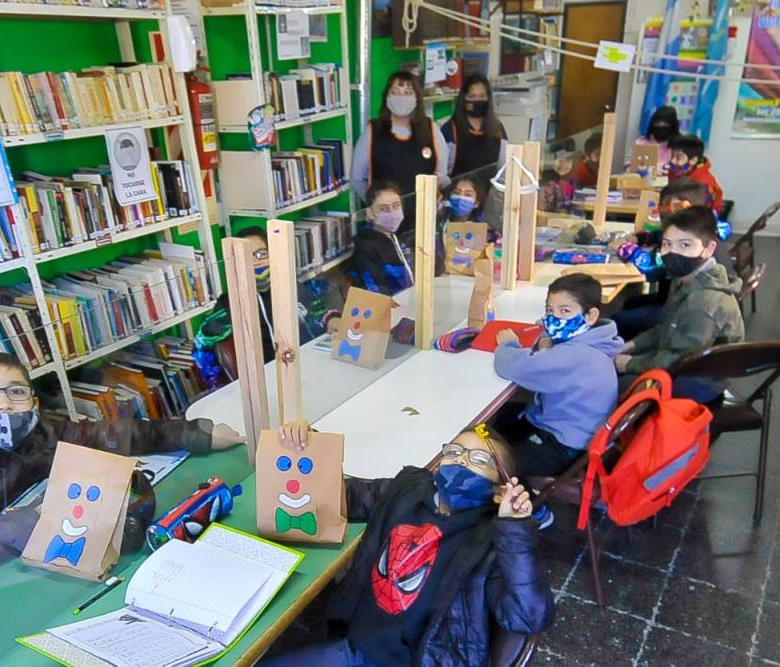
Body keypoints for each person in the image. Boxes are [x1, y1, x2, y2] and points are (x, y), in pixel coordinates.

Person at [0, 351, 242, 590]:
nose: (3, 404)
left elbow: (117, 435)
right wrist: (27, 524)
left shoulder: (43, 432)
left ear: (33, 402)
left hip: (65, 560)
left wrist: (194, 433)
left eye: (16, 392)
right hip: (3, 583)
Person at [263, 423, 554, 667]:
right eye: (453, 451)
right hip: (353, 650)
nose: (461, 460)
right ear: (439, 463)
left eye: (479, 459)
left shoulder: (492, 542)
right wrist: (307, 445)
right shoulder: (407, 490)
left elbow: (528, 617)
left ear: (500, 489)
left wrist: (514, 529)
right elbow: (340, 497)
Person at [492, 274, 623, 485]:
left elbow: (510, 366)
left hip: (566, 446)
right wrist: (546, 339)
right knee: (505, 417)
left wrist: (508, 344)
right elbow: (549, 338)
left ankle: (528, 507)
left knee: (493, 464)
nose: (553, 318)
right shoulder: (596, 339)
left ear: (591, 315)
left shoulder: (574, 355)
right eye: (549, 310)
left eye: (564, 311)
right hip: (577, 429)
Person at [615, 206, 744, 402]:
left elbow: (680, 359)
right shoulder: (687, 279)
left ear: (708, 249)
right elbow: (665, 329)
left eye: (685, 245)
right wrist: (630, 346)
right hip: (679, 359)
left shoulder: (703, 303)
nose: (672, 252)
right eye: (667, 244)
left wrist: (630, 364)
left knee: (615, 389)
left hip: (698, 380)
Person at [197, 227, 342, 363]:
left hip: (308, 361)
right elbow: (202, 342)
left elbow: (316, 310)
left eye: (261, 254)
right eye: (246, 257)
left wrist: (332, 320)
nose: (255, 261)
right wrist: (213, 377)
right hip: (271, 375)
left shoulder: (287, 284)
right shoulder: (230, 302)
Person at [351, 71, 450, 238]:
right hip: (384, 225)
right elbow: (357, 177)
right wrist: (378, 206)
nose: (401, 97)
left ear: (417, 98)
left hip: (423, 219)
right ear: (386, 97)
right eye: (395, 92)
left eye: (407, 92)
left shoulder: (430, 128)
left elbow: (441, 173)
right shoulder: (372, 131)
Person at [440, 73, 508, 180]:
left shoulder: (498, 129)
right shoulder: (449, 129)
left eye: (481, 96)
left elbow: (504, 167)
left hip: (489, 192)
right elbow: (442, 172)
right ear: (464, 99)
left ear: (488, 98)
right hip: (457, 192)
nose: (477, 100)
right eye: (472, 96)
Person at [352, 181, 415, 295]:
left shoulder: (393, 236)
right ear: (370, 213)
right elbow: (377, 293)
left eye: (396, 206)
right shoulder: (366, 247)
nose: (392, 213)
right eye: (384, 209)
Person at [668, 134, 724, 213]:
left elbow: (696, 211)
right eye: (672, 156)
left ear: (693, 160)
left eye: (678, 158)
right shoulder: (680, 171)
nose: (673, 161)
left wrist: (668, 206)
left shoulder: (704, 183)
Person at [631, 106, 680, 176]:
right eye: (657, 124)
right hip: (643, 184)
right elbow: (630, 166)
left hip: (670, 184)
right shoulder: (642, 142)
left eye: (665, 125)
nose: (661, 128)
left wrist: (666, 169)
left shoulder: (678, 145)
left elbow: (682, 168)